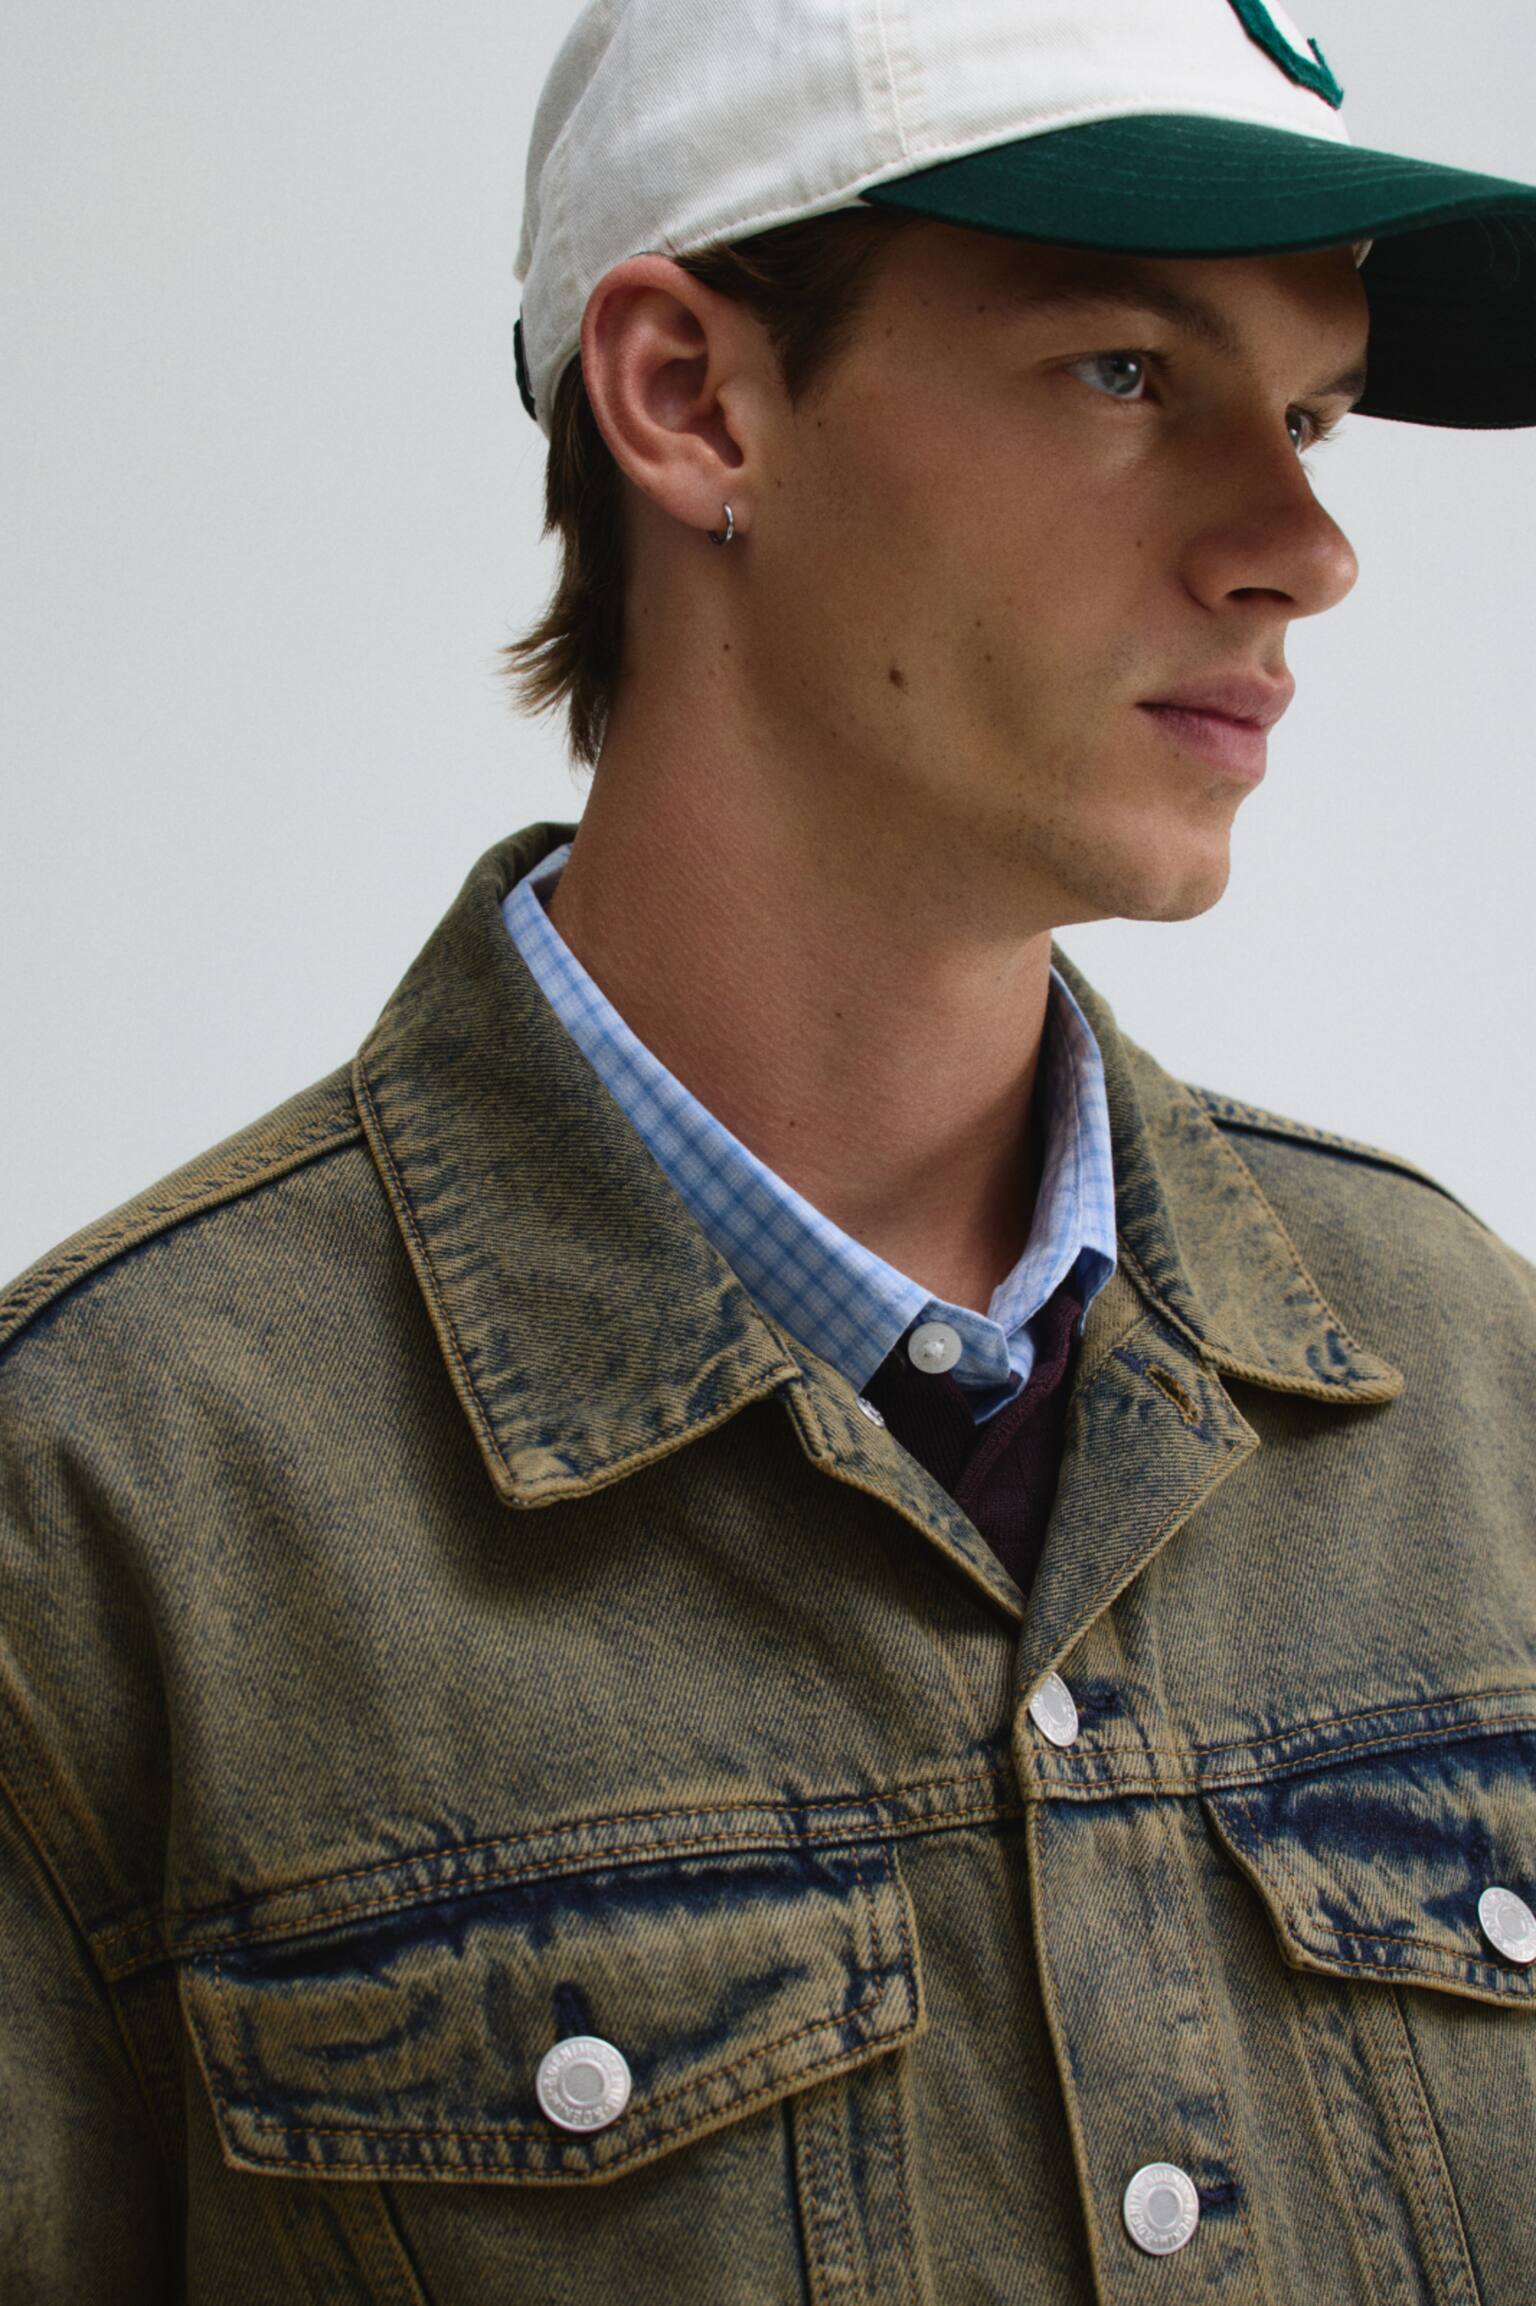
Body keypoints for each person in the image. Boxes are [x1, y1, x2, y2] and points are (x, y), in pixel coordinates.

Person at [3, 0, 1535, 2296]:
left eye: (1310, 414)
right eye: (1129, 371)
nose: (1302, 545)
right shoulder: (101, 1510)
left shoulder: (1479, 1385)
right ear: (693, 399)